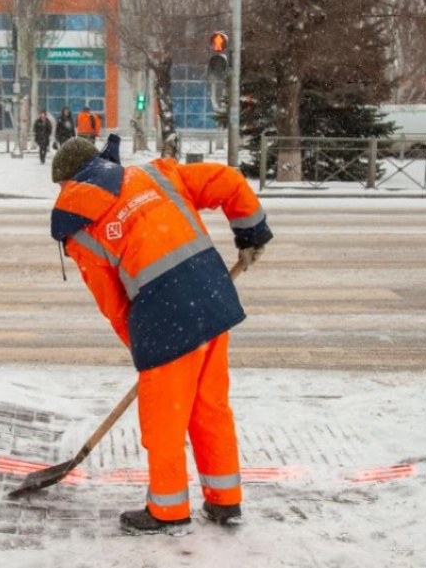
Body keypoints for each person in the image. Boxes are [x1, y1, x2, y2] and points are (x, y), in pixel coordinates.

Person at [50, 138, 273, 536]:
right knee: (211, 407)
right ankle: (225, 502)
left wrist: (145, 348)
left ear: (67, 185)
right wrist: (251, 231)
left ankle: (167, 510)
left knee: (164, 421)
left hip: (163, 319)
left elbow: (114, 305)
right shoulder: (154, 174)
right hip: (213, 297)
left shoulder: (81, 231)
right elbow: (226, 179)